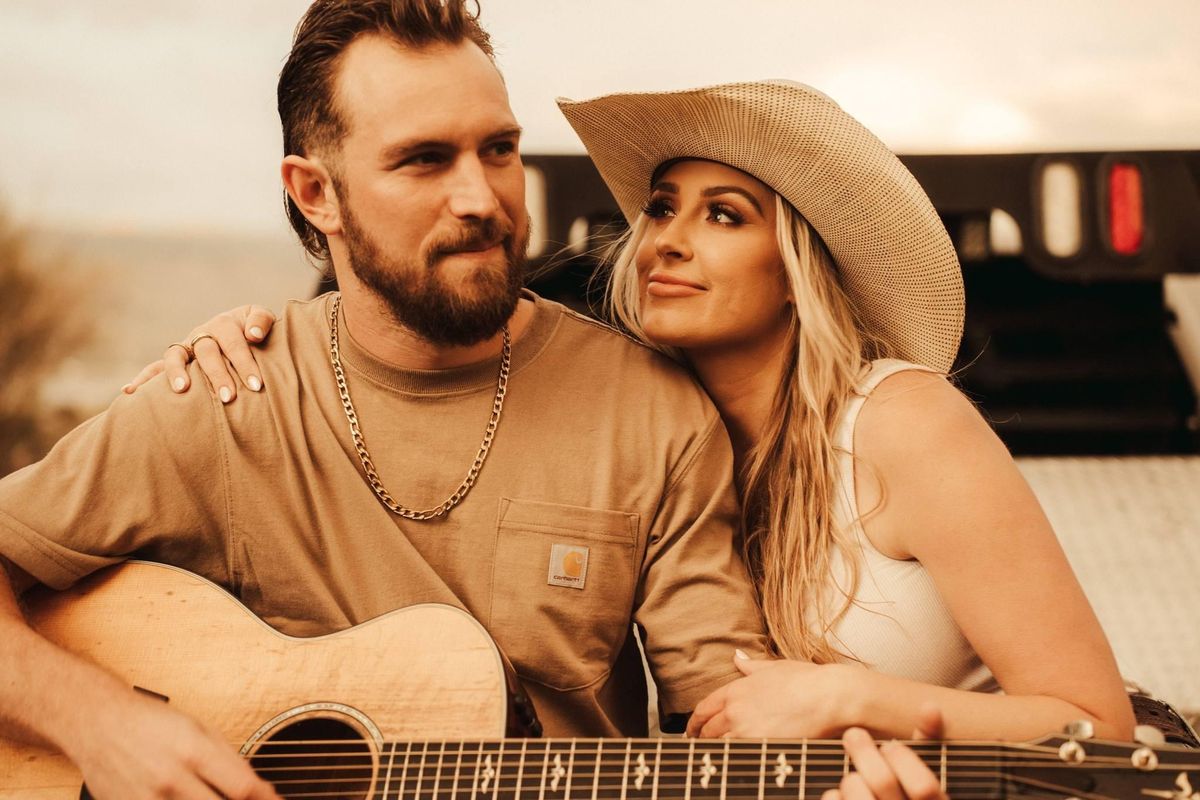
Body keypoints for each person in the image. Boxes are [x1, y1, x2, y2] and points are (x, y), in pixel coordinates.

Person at [160, 80, 1135, 746]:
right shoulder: (631, 432)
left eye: (724, 215)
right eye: (662, 208)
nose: (666, 239)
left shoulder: (900, 424)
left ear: (798, 271)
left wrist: (854, 698)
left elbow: (1095, 721)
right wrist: (268, 338)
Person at [0, 4, 773, 798]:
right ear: (316, 194)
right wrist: (98, 724)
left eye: (498, 150)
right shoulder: (230, 397)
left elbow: (732, 725)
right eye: (425, 160)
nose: (482, 198)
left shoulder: (651, 412)